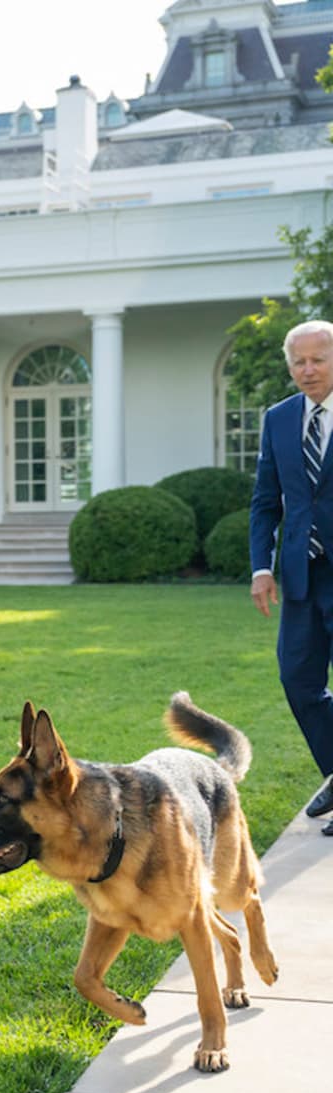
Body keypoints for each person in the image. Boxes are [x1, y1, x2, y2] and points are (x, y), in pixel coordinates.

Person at [250, 318, 333, 833]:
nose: (307, 370)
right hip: (301, 575)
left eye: (318, 360)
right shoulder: (278, 419)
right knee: (298, 682)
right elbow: (265, 501)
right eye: (298, 362)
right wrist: (262, 566)